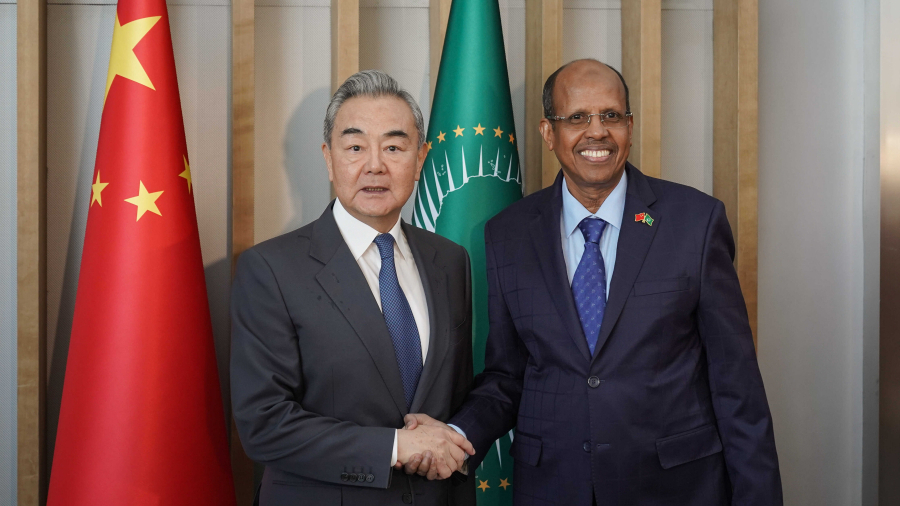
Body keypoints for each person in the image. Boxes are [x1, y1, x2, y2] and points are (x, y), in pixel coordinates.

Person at [404, 59, 783, 505]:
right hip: (553, 489)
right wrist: (455, 434)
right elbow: (508, 376)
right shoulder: (508, 235)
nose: (597, 131)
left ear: (630, 127)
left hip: (675, 488)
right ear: (549, 132)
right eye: (577, 118)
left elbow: (737, 386)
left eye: (611, 116)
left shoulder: (695, 223)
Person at [231, 70, 477, 506]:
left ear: (421, 158)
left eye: (394, 147)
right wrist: (396, 447)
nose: (375, 165)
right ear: (329, 158)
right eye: (355, 147)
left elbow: (456, 396)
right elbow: (264, 424)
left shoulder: (450, 260)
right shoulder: (270, 269)